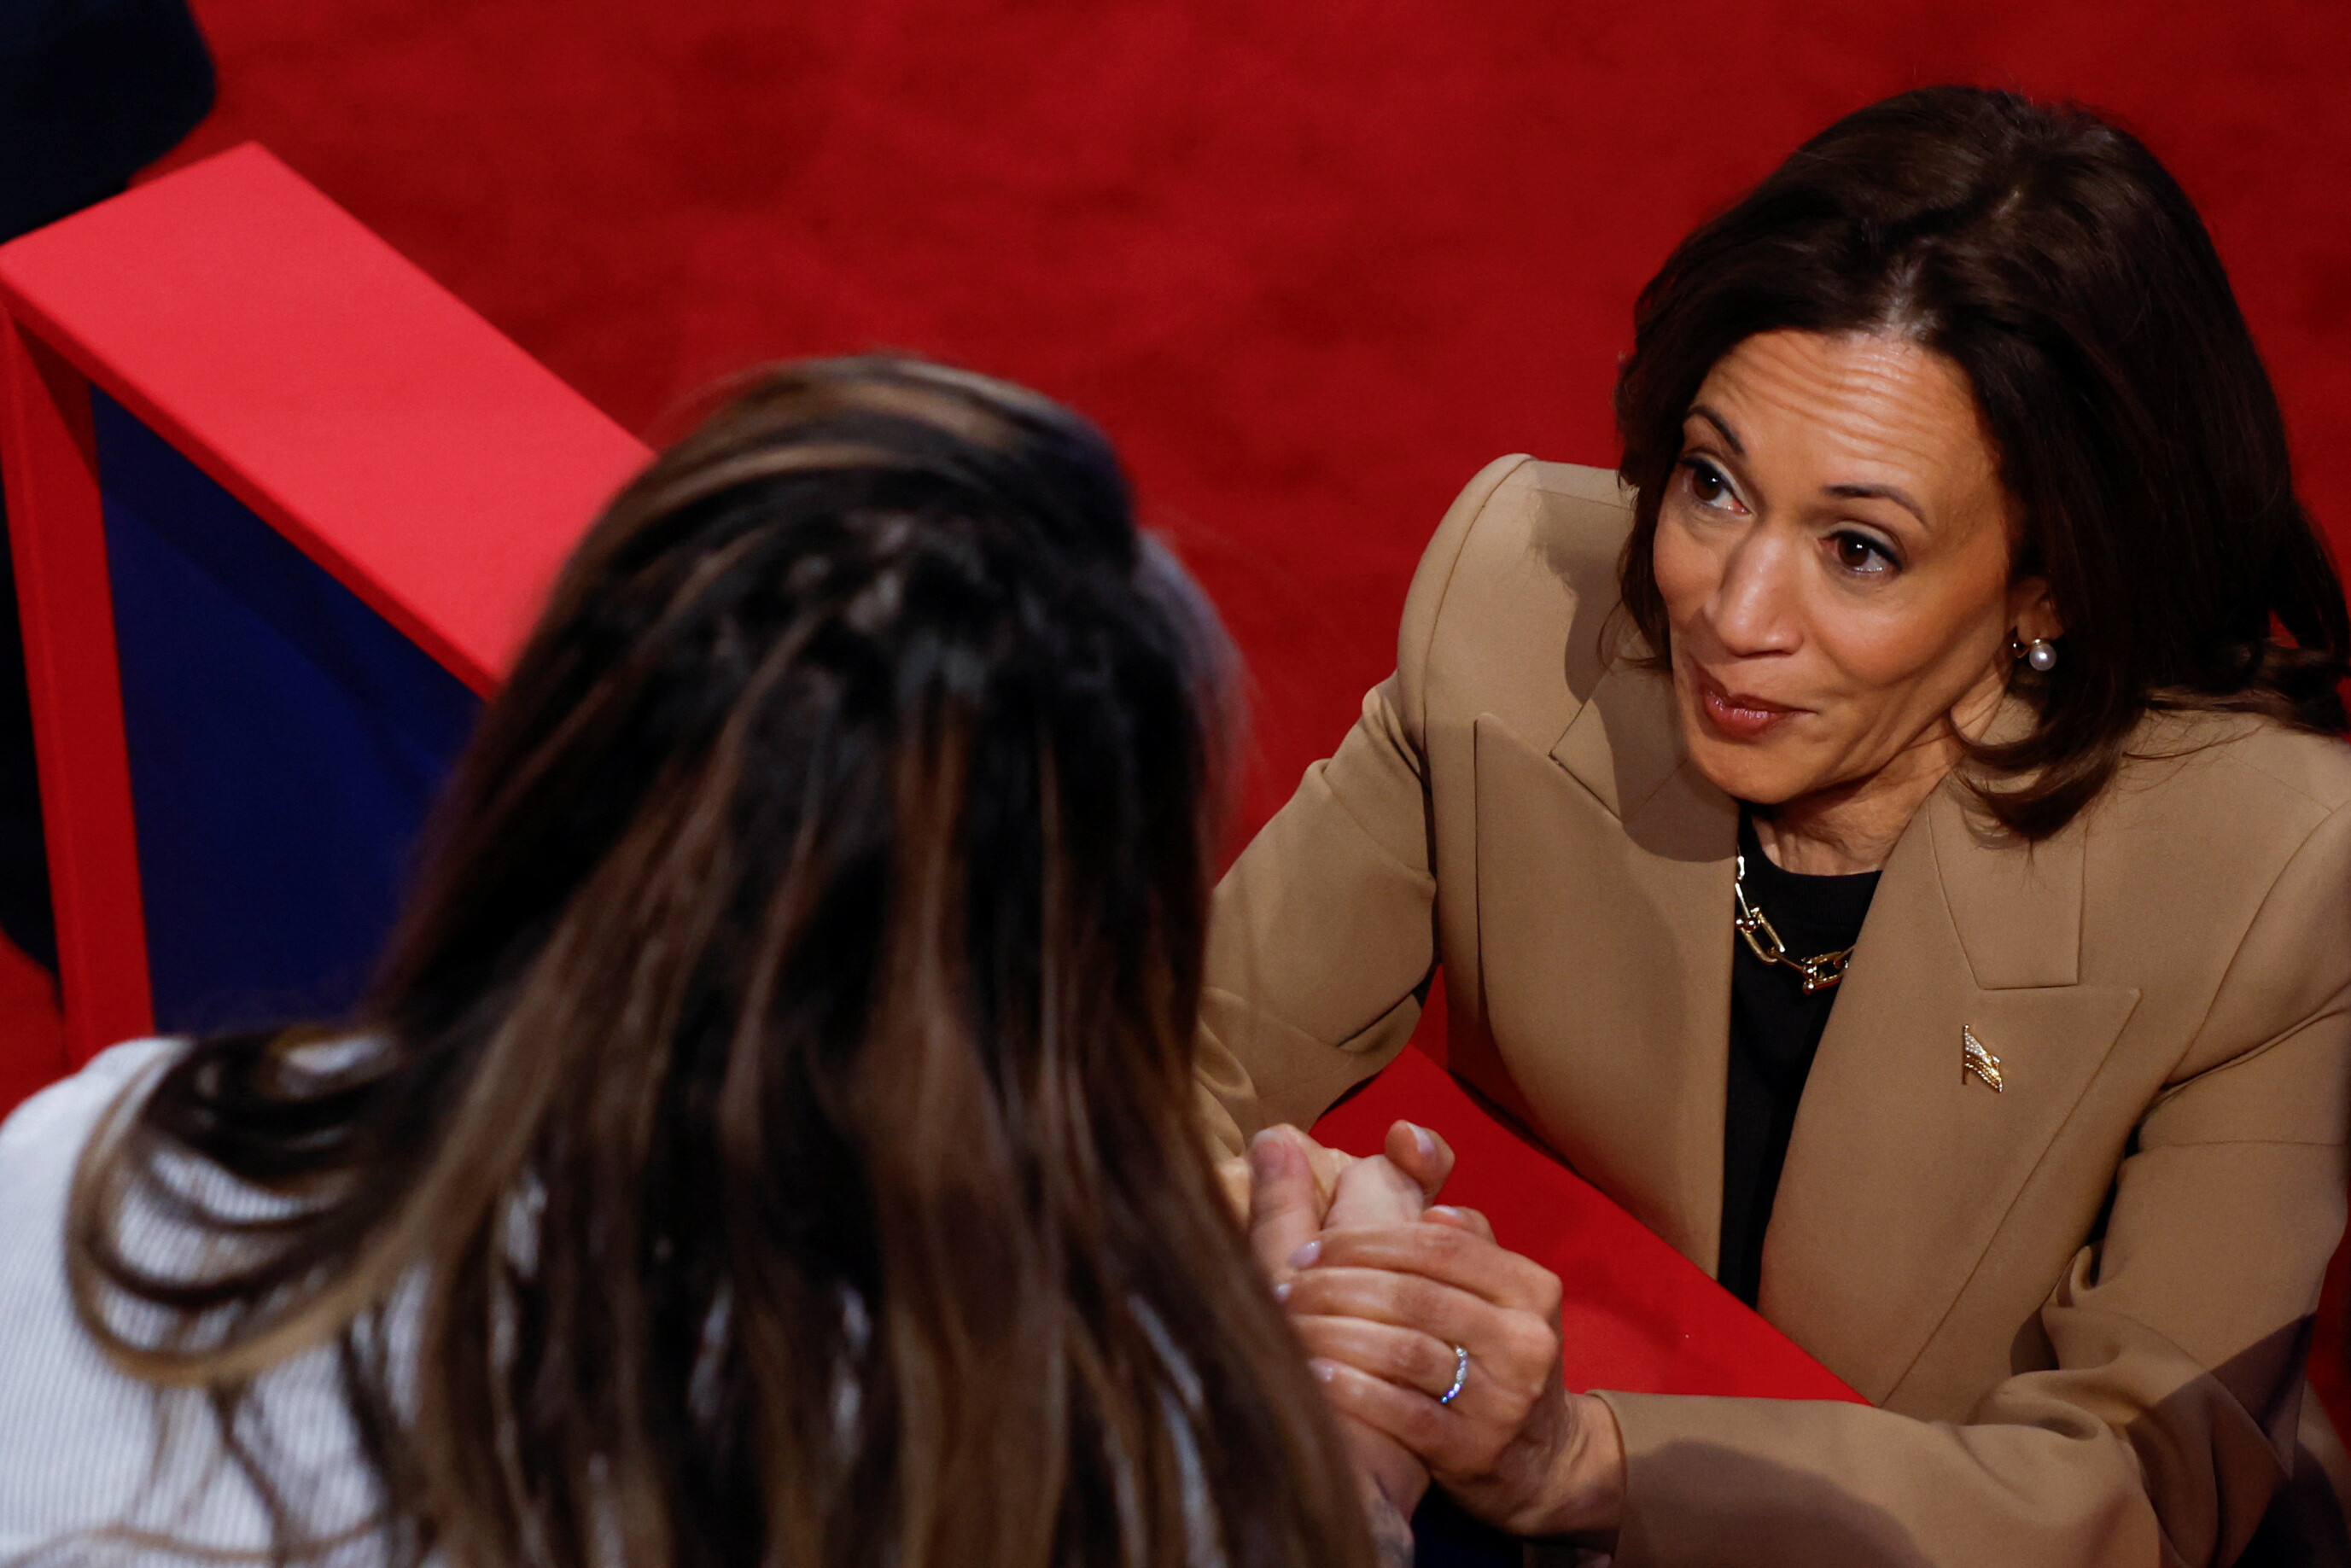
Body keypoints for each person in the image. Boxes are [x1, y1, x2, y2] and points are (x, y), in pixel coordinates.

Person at [0, 355, 1438, 1568]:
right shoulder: (1098, 1478)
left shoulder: (108, 1157)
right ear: (1071, 972)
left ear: (553, 767)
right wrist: (1324, 1438)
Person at [1201, 85, 2351, 1565]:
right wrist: (1295, 1246)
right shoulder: (1508, 604)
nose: (1730, 614)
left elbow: (2132, 1490)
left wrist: (1589, 1458)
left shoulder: (2275, 868)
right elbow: (1174, 1072)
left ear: (2049, 579)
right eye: (1712, 482)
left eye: (1857, 549)